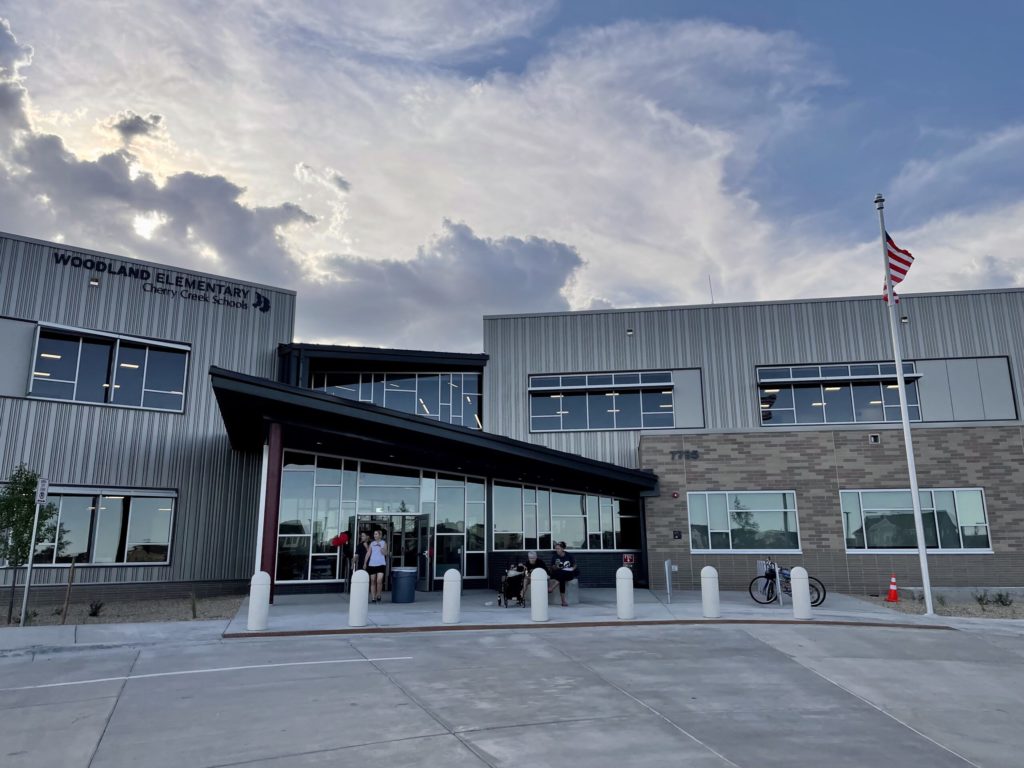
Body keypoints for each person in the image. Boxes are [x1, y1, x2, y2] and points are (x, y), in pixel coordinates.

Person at [549, 541, 578, 607]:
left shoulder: (569, 555)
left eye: (558, 548)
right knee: (561, 579)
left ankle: (552, 588)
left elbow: (575, 565)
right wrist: (557, 567)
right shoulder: (554, 556)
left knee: (563, 575)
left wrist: (572, 569)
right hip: (559, 573)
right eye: (556, 548)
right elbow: (552, 567)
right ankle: (563, 602)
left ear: (562, 549)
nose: (557, 550)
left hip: (568, 574)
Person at [366, 528, 388, 603]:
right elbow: (368, 553)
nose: (374, 535)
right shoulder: (372, 543)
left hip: (381, 564)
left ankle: (378, 595)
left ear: (380, 535)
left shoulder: (383, 543)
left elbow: (385, 553)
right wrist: (365, 563)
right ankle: (373, 597)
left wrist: (381, 547)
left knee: (379, 580)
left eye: (376, 534)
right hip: (372, 564)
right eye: (374, 534)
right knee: (372, 581)